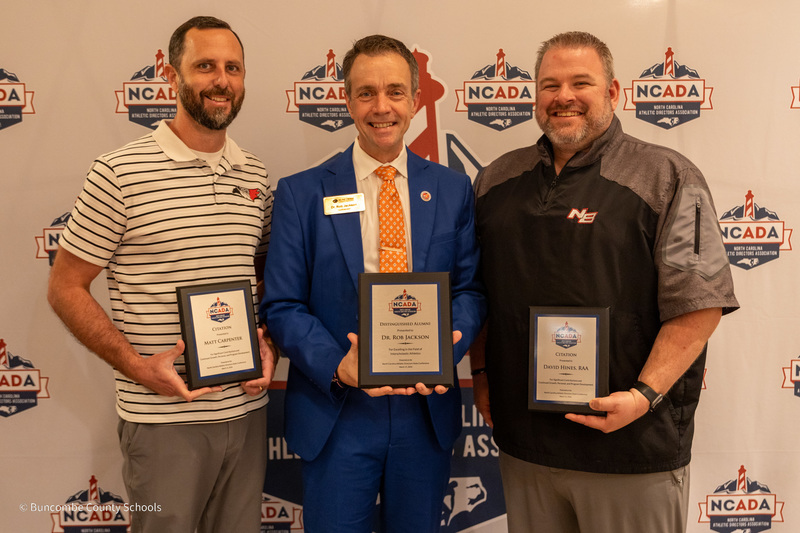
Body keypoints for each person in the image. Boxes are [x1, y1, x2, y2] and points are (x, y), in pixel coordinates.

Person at [470, 31, 739, 533]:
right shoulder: (495, 180)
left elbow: (701, 304)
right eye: (549, 85)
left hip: (631, 447)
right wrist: (482, 374)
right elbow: (481, 293)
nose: (563, 96)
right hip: (525, 446)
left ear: (613, 92)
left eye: (581, 83)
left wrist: (642, 396)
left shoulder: (668, 176)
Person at [47, 16, 274, 533]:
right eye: (205, 66)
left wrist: (270, 344)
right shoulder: (118, 172)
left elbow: (263, 283)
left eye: (233, 68)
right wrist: (136, 366)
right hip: (163, 420)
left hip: (246, 410)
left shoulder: (255, 174)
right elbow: (64, 287)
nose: (221, 80)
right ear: (173, 77)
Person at [260, 35, 486, 532]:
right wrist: (337, 365)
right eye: (366, 93)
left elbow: (469, 290)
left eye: (395, 91)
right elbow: (282, 305)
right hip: (337, 410)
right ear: (347, 100)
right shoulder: (301, 194)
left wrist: (447, 345)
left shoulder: (452, 189)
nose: (381, 107)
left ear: (416, 100)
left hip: (424, 412)